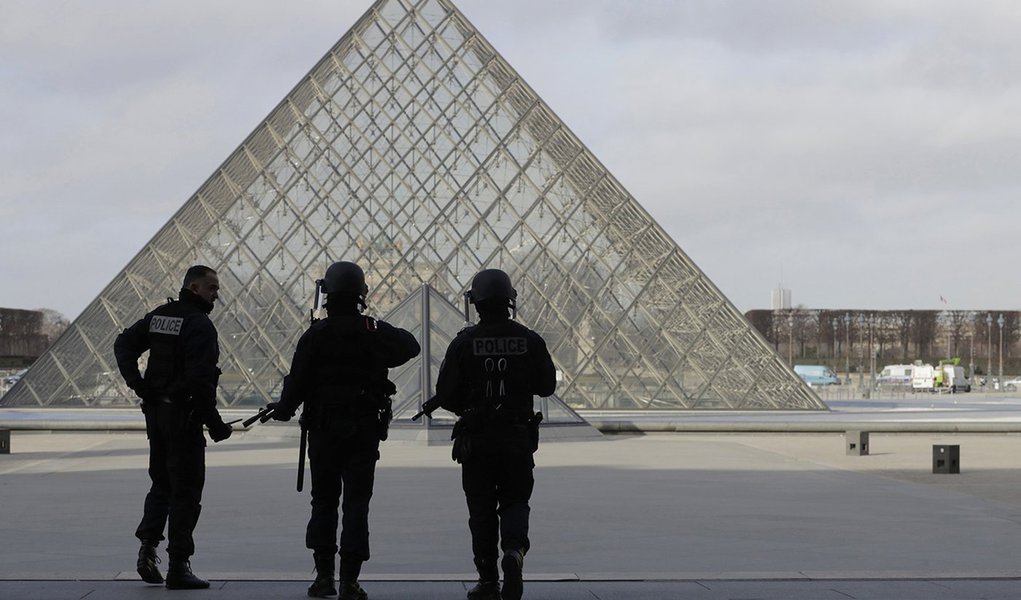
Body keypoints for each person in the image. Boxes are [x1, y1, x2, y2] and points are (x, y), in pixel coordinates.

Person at [269, 261, 420, 599]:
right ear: (361, 294)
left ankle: (324, 578)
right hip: (364, 430)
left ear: (328, 295)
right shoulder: (373, 330)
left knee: (323, 500)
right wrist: (374, 330)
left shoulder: (315, 334)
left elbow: (297, 382)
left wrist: (283, 409)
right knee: (356, 503)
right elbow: (411, 346)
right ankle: (350, 581)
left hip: (323, 430)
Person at [430, 268, 557, 600]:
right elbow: (547, 385)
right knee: (516, 501)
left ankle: (488, 580)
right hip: (516, 438)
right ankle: (514, 552)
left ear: (476, 303)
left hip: (477, 441)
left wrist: (468, 407)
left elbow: (445, 394)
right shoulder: (529, 340)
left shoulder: (463, 343)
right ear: (510, 301)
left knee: (481, 510)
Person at [113, 265, 233, 590]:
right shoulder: (199, 325)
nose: (216, 294)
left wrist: (138, 384)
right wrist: (216, 424)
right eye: (212, 288)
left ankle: (147, 549)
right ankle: (179, 564)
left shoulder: (160, 316)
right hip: (183, 416)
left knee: (161, 483)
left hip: (156, 414)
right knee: (187, 490)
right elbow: (200, 381)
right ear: (194, 287)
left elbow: (123, 343)